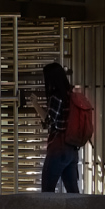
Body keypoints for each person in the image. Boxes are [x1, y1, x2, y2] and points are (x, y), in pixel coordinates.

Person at [37, 60, 81, 192]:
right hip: (72, 149)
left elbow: (49, 121)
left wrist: (35, 104)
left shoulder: (57, 96)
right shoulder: (71, 95)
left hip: (59, 148)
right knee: (73, 192)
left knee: (47, 190)